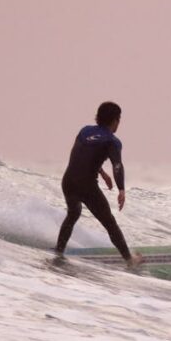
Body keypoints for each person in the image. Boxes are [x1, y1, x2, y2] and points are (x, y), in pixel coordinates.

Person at [55, 101, 143, 267]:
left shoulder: (84, 131)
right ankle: (129, 260)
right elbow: (117, 165)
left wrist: (101, 173)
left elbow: (81, 156)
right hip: (86, 186)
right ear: (115, 120)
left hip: (68, 181)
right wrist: (121, 189)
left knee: (73, 213)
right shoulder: (112, 141)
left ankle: (59, 251)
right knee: (109, 222)